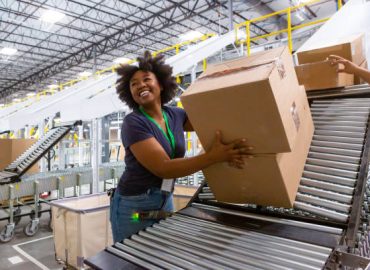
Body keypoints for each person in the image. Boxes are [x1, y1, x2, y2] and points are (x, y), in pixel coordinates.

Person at [110, 51, 251, 243]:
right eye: (134, 84)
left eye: (146, 79)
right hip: (134, 209)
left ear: (160, 84)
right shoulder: (133, 123)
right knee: (133, 256)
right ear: (130, 94)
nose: (140, 85)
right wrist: (214, 157)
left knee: (159, 252)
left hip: (164, 198)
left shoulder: (175, 115)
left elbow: (211, 122)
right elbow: (164, 168)